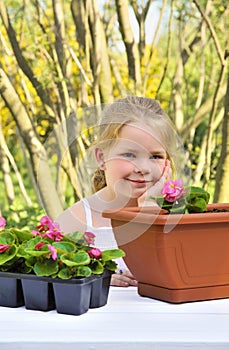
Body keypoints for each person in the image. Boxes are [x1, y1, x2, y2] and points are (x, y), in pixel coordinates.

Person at [56, 96, 182, 287]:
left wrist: (151, 205)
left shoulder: (174, 215)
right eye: (129, 155)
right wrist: (96, 276)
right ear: (101, 158)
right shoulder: (78, 220)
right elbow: (51, 276)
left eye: (155, 156)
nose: (143, 168)